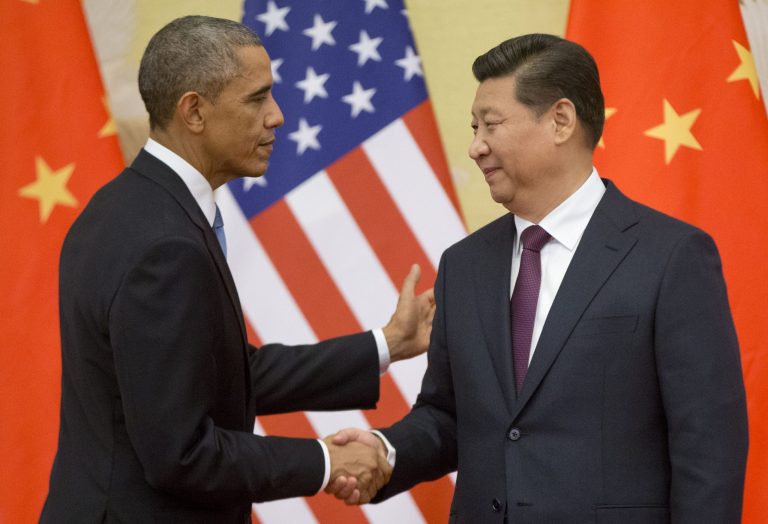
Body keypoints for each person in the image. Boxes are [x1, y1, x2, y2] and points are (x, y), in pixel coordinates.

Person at [328, 34, 749, 522]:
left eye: (491, 124)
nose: (475, 146)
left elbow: (709, 446)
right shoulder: (463, 265)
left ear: (561, 120)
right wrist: (385, 452)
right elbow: (448, 416)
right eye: (473, 127)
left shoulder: (671, 255)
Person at [40, 15, 435, 523]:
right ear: (194, 111)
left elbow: (225, 376)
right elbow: (181, 455)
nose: (277, 117)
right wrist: (325, 459)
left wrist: (388, 344)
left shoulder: (126, 206)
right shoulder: (164, 244)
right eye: (257, 98)